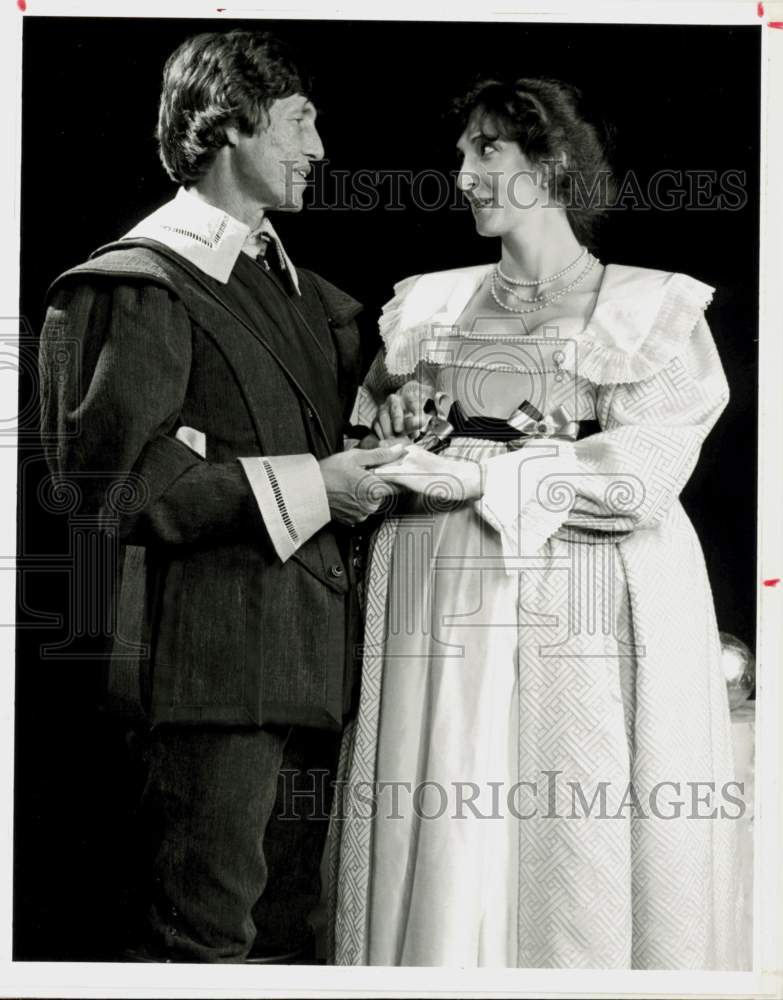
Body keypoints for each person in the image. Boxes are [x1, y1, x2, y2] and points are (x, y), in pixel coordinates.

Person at [329, 78, 741, 968]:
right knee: (440, 790)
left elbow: (647, 469)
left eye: (487, 151)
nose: (463, 174)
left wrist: (500, 478)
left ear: (549, 163)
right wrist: (396, 424)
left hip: (569, 589)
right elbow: (369, 433)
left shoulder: (647, 307)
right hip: (434, 590)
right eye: (461, 153)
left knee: (565, 794)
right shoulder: (427, 306)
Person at [38, 29, 402, 963]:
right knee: (201, 947)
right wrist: (310, 485)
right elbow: (103, 493)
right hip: (196, 679)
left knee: (294, 940)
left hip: (309, 666)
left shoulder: (302, 291)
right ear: (230, 127)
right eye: (297, 124)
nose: (317, 150)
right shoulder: (136, 283)